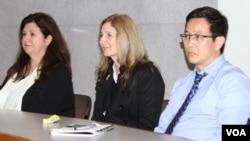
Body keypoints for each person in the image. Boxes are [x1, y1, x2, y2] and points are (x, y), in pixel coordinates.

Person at [154, 6, 250, 141]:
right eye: (187, 36)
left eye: (198, 37)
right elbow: (162, 128)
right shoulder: (183, 82)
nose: (189, 43)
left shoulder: (234, 82)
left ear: (218, 42)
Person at [91, 14, 165, 131]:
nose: (101, 41)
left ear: (125, 38)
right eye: (101, 35)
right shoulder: (105, 72)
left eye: (108, 35)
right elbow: (97, 117)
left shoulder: (148, 74)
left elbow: (148, 126)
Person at [0, 12, 75, 117]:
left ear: (47, 40)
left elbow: (40, 111)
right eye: (24, 34)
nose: (26, 39)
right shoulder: (16, 70)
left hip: (37, 131)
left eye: (32, 34)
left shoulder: (58, 72)